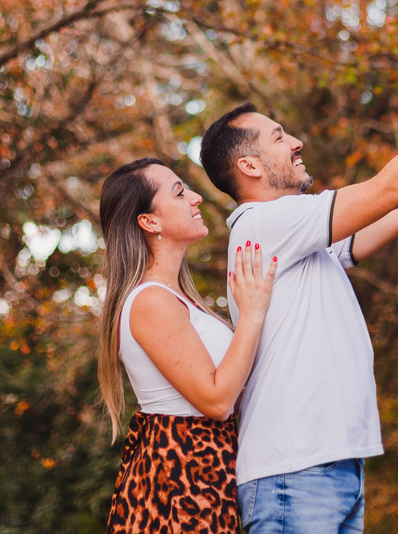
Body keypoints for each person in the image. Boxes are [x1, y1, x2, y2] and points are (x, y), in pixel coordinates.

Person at [199, 55, 398, 533]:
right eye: (278, 137)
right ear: (248, 165)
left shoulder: (297, 237)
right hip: (294, 471)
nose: (296, 142)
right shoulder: (265, 223)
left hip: (330, 467)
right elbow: (390, 189)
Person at [97, 156, 278, 533]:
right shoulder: (151, 301)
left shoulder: (178, 298)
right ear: (150, 222)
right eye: (180, 192)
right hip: (178, 487)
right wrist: (253, 313)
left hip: (204, 479)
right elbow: (215, 400)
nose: (195, 197)